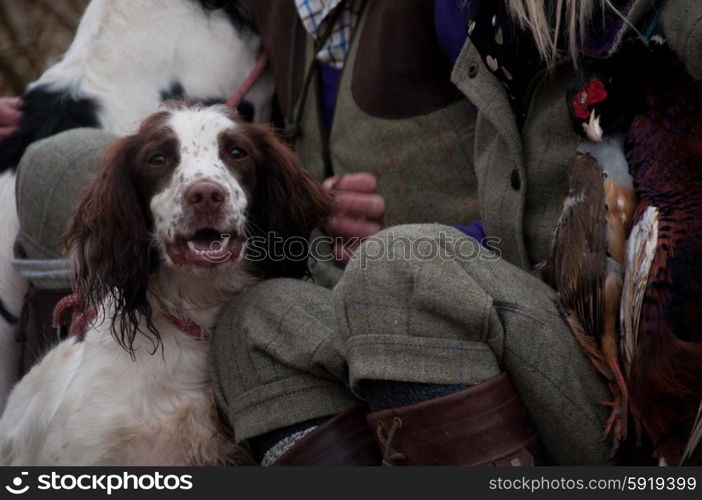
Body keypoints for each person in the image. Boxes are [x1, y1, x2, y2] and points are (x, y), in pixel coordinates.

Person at [8, 0, 701, 465]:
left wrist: (413, 237)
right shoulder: (282, 10)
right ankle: (97, 367)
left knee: (398, 269)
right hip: (330, 256)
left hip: (522, 299)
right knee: (53, 168)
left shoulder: (465, 15)